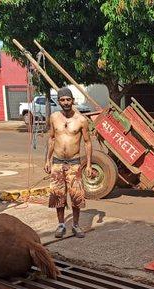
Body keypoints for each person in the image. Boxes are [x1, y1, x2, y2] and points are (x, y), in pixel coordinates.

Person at [45, 86, 93, 238]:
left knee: (76, 196)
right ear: (59, 101)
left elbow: (87, 142)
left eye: (68, 99)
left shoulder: (81, 120)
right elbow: (51, 139)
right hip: (57, 162)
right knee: (58, 195)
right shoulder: (54, 117)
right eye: (62, 100)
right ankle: (61, 225)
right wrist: (47, 160)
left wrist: (89, 164)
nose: (65, 102)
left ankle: (76, 225)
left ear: (72, 100)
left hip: (74, 163)